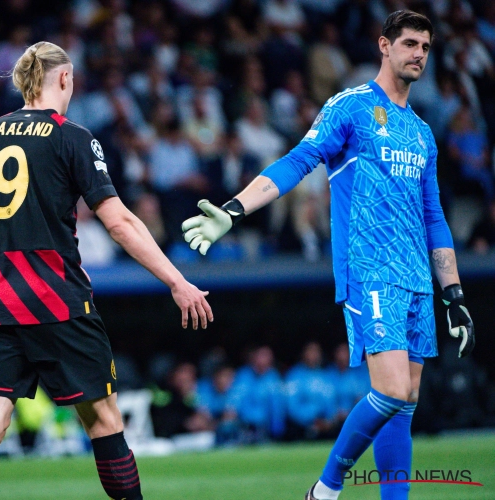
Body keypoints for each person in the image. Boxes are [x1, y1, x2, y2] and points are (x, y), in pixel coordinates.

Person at [181, 11, 475, 500]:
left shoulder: (422, 133)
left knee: (406, 402)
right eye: (409, 43)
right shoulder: (352, 107)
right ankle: (325, 488)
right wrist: (234, 209)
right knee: (389, 392)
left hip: (417, 279)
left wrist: (455, 293)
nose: (419, 53)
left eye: (425, 45)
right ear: (384, 46)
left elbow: (434, 217)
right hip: (369, 269)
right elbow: (299, 160)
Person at [0, 41, 212, 500]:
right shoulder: (72, 136)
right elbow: (119, 222)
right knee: (104, 421)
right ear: (65, 78)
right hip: (57, 297)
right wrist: (177, 281)